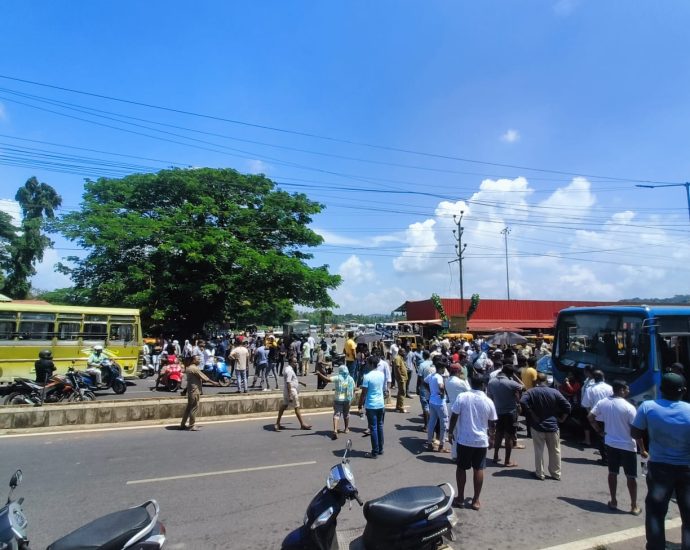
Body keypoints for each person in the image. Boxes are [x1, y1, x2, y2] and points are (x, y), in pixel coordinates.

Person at [631, 373, 690, 550]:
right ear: (684, 391)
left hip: (659, 469)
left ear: (662, 389)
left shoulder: (648, 407)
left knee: (656, 512)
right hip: (687, 470)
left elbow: (635, 433)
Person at [588, 380, 647, 515]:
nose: (628, 391)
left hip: (610, 443)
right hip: (627, 446)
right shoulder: (628, 407)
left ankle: (613, 501)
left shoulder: (603, 402)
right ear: (621, 390)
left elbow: (590, 417)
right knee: (631, 476)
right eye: (626, 389)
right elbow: (636, 431)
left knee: (612, 473)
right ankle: (633, 506)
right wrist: (642, 449)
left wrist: (599, 431)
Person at [448, 375, 497, 511]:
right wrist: (492, 437)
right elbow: (492, 422)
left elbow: (454, 416)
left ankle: (461, 498)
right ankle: (476, 500)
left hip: (464, 439)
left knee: (461, 468)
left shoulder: (462, 397)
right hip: (481, 441)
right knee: (479, 468)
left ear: (470, 383)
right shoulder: (488, 401)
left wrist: (450, 432)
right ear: (483, 385)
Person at [520, 373, 571, 480]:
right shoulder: (554, 392)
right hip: (553, 426)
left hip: (537, 426)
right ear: (546, 381)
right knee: (555, 451)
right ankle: (556, 474)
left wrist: (532, 414)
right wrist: (562, 419)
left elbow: (522, 401)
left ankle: (540, 473)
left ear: (536, 381)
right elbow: (567, 406)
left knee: (539, 450)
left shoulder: (531, 391)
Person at [487, 364, 524, 467]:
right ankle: (507, 461)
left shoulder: (491, 382)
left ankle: (495, 456)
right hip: (510, 413)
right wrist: (515, 377)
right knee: (509, 437)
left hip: (497, 412)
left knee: (498, 434)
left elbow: (489, 397)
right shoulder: (512, 383)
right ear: (511, 373)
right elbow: (523, 386)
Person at [180, 355, 220, 431]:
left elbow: (190, 382)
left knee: (188, 408)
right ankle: (191, 425)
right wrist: (213, 382)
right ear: (194, 360)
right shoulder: (194, 368)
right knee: (194, 408)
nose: (200, 360)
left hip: (191, 390)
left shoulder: (188, 368)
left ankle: (182, 424)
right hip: (195, 391)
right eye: (198, 359)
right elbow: (204, 377)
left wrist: (184, 391)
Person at [316, 365, 355, 439]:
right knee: (346, 414)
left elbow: (327, 380)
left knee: (336, 415)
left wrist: (319, 374)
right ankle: (346, 429)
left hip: (338, 399)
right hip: (347, 399)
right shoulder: (350, 379)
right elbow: (353, 388)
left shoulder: (338, 377)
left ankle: (335, 430)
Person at [358, 356, 386, 458]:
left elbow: (363, 393)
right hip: (381, 404)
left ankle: (374, 451)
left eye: (367, 363)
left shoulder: (367, 376)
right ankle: (380, 449)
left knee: (373, 428)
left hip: (371, 405)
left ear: (370, 364)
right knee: (380, 426)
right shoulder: (381, 374)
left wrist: (359, 404)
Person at [275, 356, 312, 431]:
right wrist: (290, 395)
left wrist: (301, 383)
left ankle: (277, 423)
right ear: (291, 362)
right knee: (297, 407)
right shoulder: (289, 371)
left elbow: (291, 380)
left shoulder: (287, 368)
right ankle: (302, 424)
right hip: (291, 391)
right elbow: (288, 382)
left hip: (287, 390)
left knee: (284, 406)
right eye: (295, 362)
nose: (296, 363)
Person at [425, 359, 450, 453]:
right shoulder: (439, 377)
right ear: (441, 368)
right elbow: (441, 386)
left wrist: (431, 391)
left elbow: (424, 382)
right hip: (440, 403)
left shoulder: (431, 376)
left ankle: (429, 443)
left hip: (432, 401)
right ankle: (441, 446)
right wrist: (442, 394)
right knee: (444, 423)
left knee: (432, 423)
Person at [393, 348, 408, 412]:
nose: (404, 353)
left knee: (400, 392)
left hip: (403, 378)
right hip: (401, 378)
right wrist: (400, 378)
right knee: (402, 392)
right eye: (403, 352)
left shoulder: (401, 358)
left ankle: (398, 406)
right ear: (400, 352)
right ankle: (401, 407)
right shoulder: (397, 358)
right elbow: (397, 368)